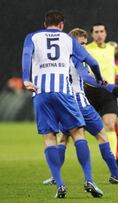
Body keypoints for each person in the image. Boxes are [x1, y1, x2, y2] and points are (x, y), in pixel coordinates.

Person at [22, 10, 104, 198]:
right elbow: (92, 62)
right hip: (64, 92)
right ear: (61, 25)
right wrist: (99, 77)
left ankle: (59, 185)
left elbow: (26, 56)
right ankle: (89, 180)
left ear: (45, 24)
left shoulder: (32, 37)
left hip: (40, 92)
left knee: (50, 137)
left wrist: (26, 79)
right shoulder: (69, 40)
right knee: (77, 133)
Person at [42, 28, 118, 186]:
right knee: (102, 136)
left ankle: (55, 176)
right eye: (81, 44)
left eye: (85, 44)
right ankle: (116, 175)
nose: (83, 47)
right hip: (80, 103)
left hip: (64, 104)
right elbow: (87, 77)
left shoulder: (59, 59)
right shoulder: (77, 58)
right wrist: (110, 87)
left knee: (63, 138)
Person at [85, 23, 118, 159]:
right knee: (76, 128)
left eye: (101, 31)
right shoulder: (86, 49)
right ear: (92, 34)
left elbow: (111, 65)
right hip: (91, 91)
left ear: (105, 33)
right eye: (96, 32)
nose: (99, 34)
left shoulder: (111, 49)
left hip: (108, 92)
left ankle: (112, 158)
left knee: (110, 125)